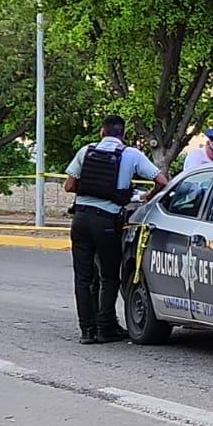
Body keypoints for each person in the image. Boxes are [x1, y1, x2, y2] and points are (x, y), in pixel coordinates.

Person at [64, 115, 169, 344]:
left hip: (80, 219)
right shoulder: (131, 155)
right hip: (107, 223)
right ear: (123, 134)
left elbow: (69, 186)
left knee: (83, 277)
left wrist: (93, 189)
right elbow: (162, 181)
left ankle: (87, 331)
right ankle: (105, 328)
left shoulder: (85, 151)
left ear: (102, 132)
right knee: (110, 276)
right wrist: (144, 196)